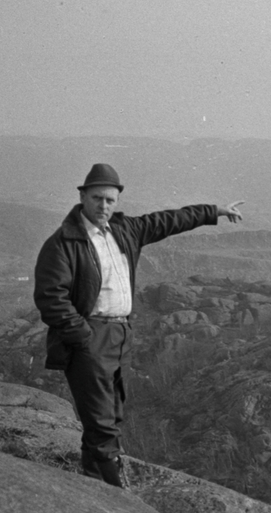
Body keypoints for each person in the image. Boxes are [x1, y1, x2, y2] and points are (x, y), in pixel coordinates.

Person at [34, 162, 244, 487]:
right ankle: (115, 492)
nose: (103, 206)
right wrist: (82, 335)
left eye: (110, 200)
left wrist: (213, 211)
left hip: (121, 335)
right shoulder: (64, 242)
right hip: (91, 338)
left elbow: (170, 220)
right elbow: (50, 296)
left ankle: (92, 484)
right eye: (97, 198)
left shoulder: (125, 230)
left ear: (117, 200)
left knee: (113, 411)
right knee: (102, 420)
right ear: (83, 197)